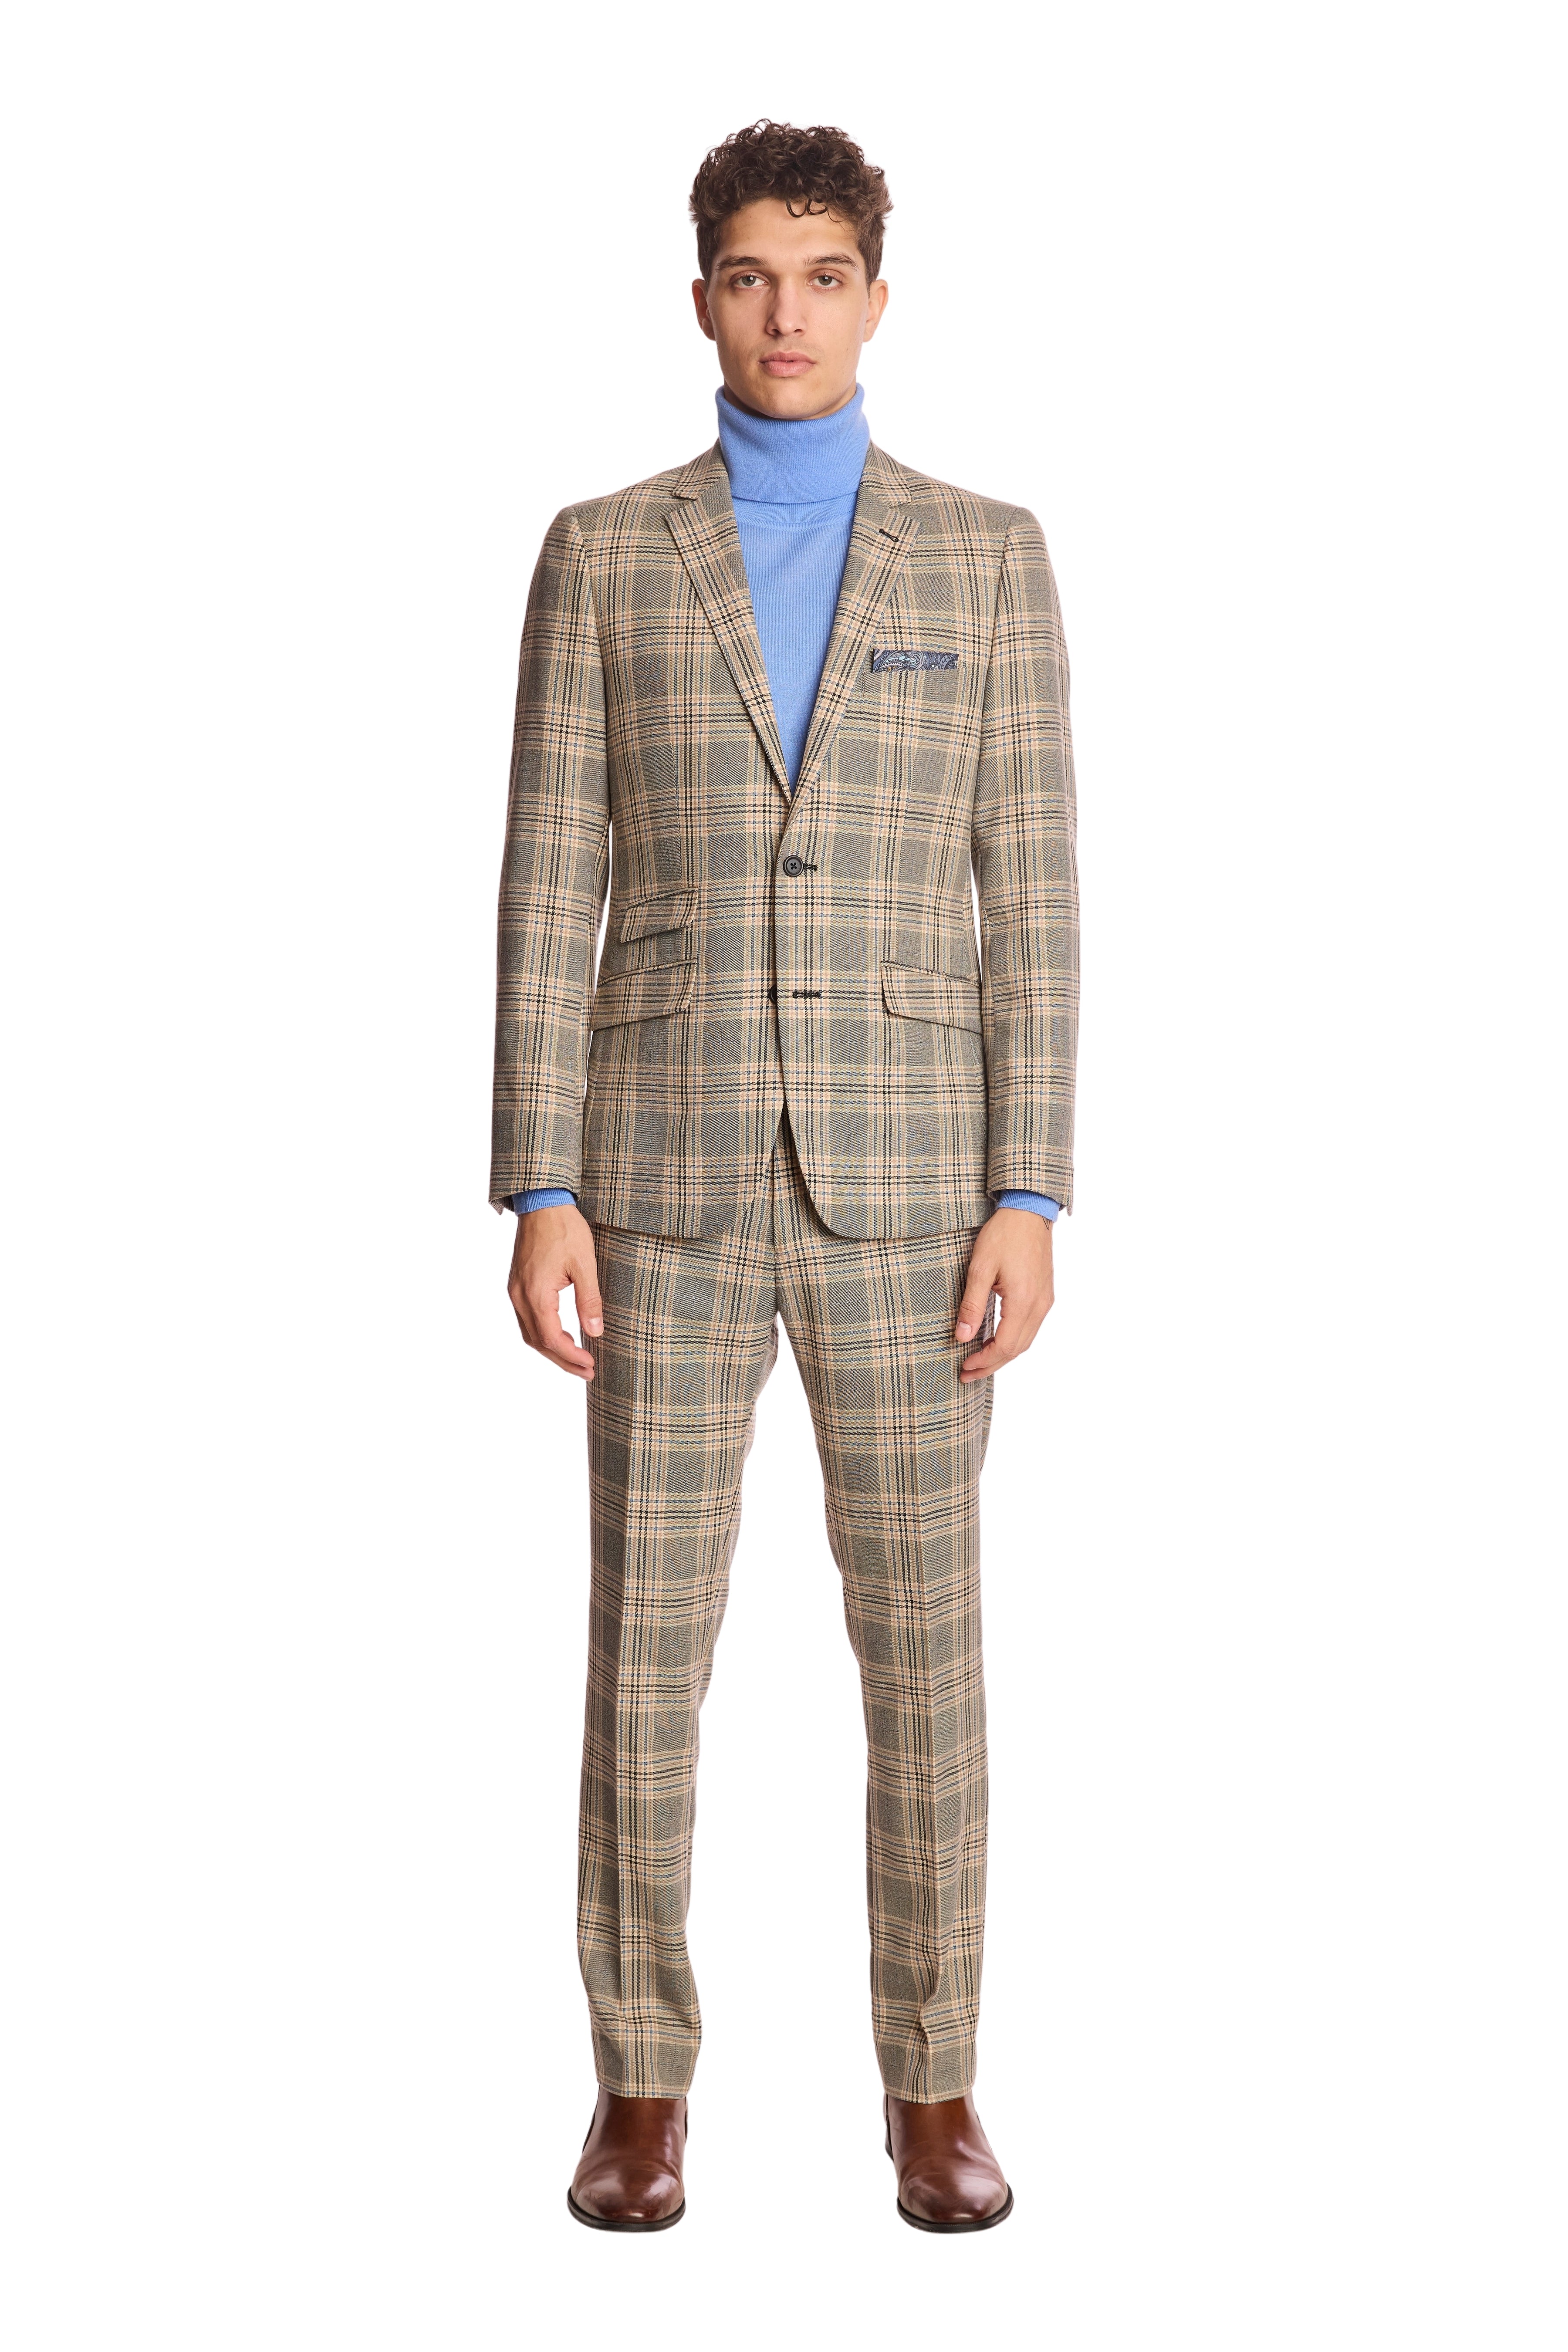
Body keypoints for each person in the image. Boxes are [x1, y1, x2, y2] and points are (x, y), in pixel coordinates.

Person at [491, 119, 1078, 2234]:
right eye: (750, 274)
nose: (787, 312)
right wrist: (537, 1184)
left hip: (917, 1197)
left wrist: (1033, 1192)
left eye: (824, 274)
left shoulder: (988, 555)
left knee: (926, 1663)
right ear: (701, 300)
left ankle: (935, 2088)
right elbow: (548, 878)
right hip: (655, 1182)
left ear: (879, 299)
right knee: (646, 1660)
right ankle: (640, 2089)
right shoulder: (601, 552)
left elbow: (1036, 891)